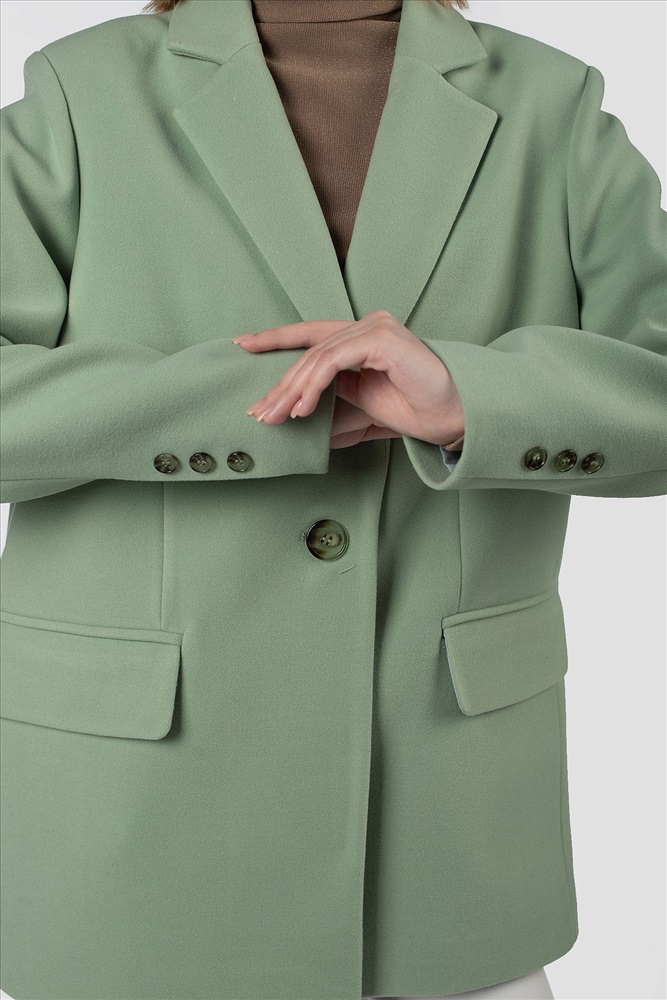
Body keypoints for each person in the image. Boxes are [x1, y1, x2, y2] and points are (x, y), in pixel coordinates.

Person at [0, 1, 665, 999]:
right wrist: (253, 406)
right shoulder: (78, 92)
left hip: (447, 829)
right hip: (134, 822)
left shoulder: (550, 102)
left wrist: (470, 399)